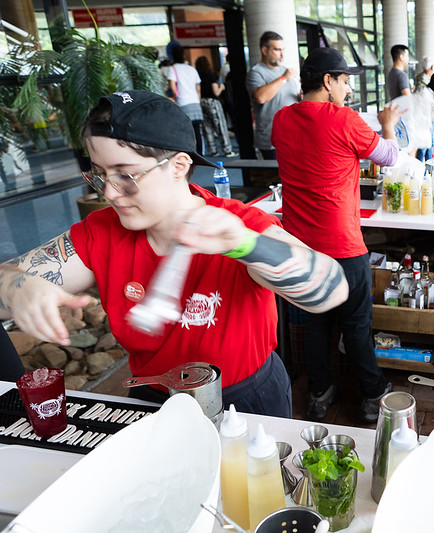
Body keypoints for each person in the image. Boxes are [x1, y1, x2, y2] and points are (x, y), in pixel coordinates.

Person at [0, 90, 349, 417]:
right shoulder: (101, 232)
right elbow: (5, 278)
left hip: (244, 399)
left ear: (179, 165)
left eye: (125, 175)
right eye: (100, 174)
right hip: (156, 401)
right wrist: (19, 286)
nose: (109, 192)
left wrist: (244, 245)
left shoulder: (237, 224)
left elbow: (331, 290)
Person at [271, 48, 402, 423]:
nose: (347, 90)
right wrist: (388, 124)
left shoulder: (281, 120)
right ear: (328, 81)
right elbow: (389, 156)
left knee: (314, 325)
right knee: (356, 326)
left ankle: (319, 392)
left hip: (300, 249)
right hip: (343, 245)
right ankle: (373, 395)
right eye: (344, 82)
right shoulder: (344, 120)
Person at [246, 31, 301, 160]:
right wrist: (283, 78)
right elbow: (261, 97)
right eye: (277, 50)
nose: (282, 54)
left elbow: (288, 96)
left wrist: (301, 97)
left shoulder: (284, 70)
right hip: (272, 140)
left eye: (283, 50)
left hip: (293, 136)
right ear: (265, 50)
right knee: (276, 178)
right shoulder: (256, 72)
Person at [166, 45, 204, 156]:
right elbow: (198, 89)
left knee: (185, 131)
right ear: (183, 55)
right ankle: (200, 154)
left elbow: (172, 88)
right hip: (195, 103)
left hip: (183, 103)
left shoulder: (173, 69)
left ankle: (190, 154)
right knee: (197, 131)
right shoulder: (192, 69)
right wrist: (197, 100)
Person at [195, 56, 237, 158]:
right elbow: (216, 92)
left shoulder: (198, 76)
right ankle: (227, 150)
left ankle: (213, 150)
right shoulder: (211, 75)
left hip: (201, 102)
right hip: (212, 102)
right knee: (220, 126)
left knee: (207, 127)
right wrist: (221, 87)